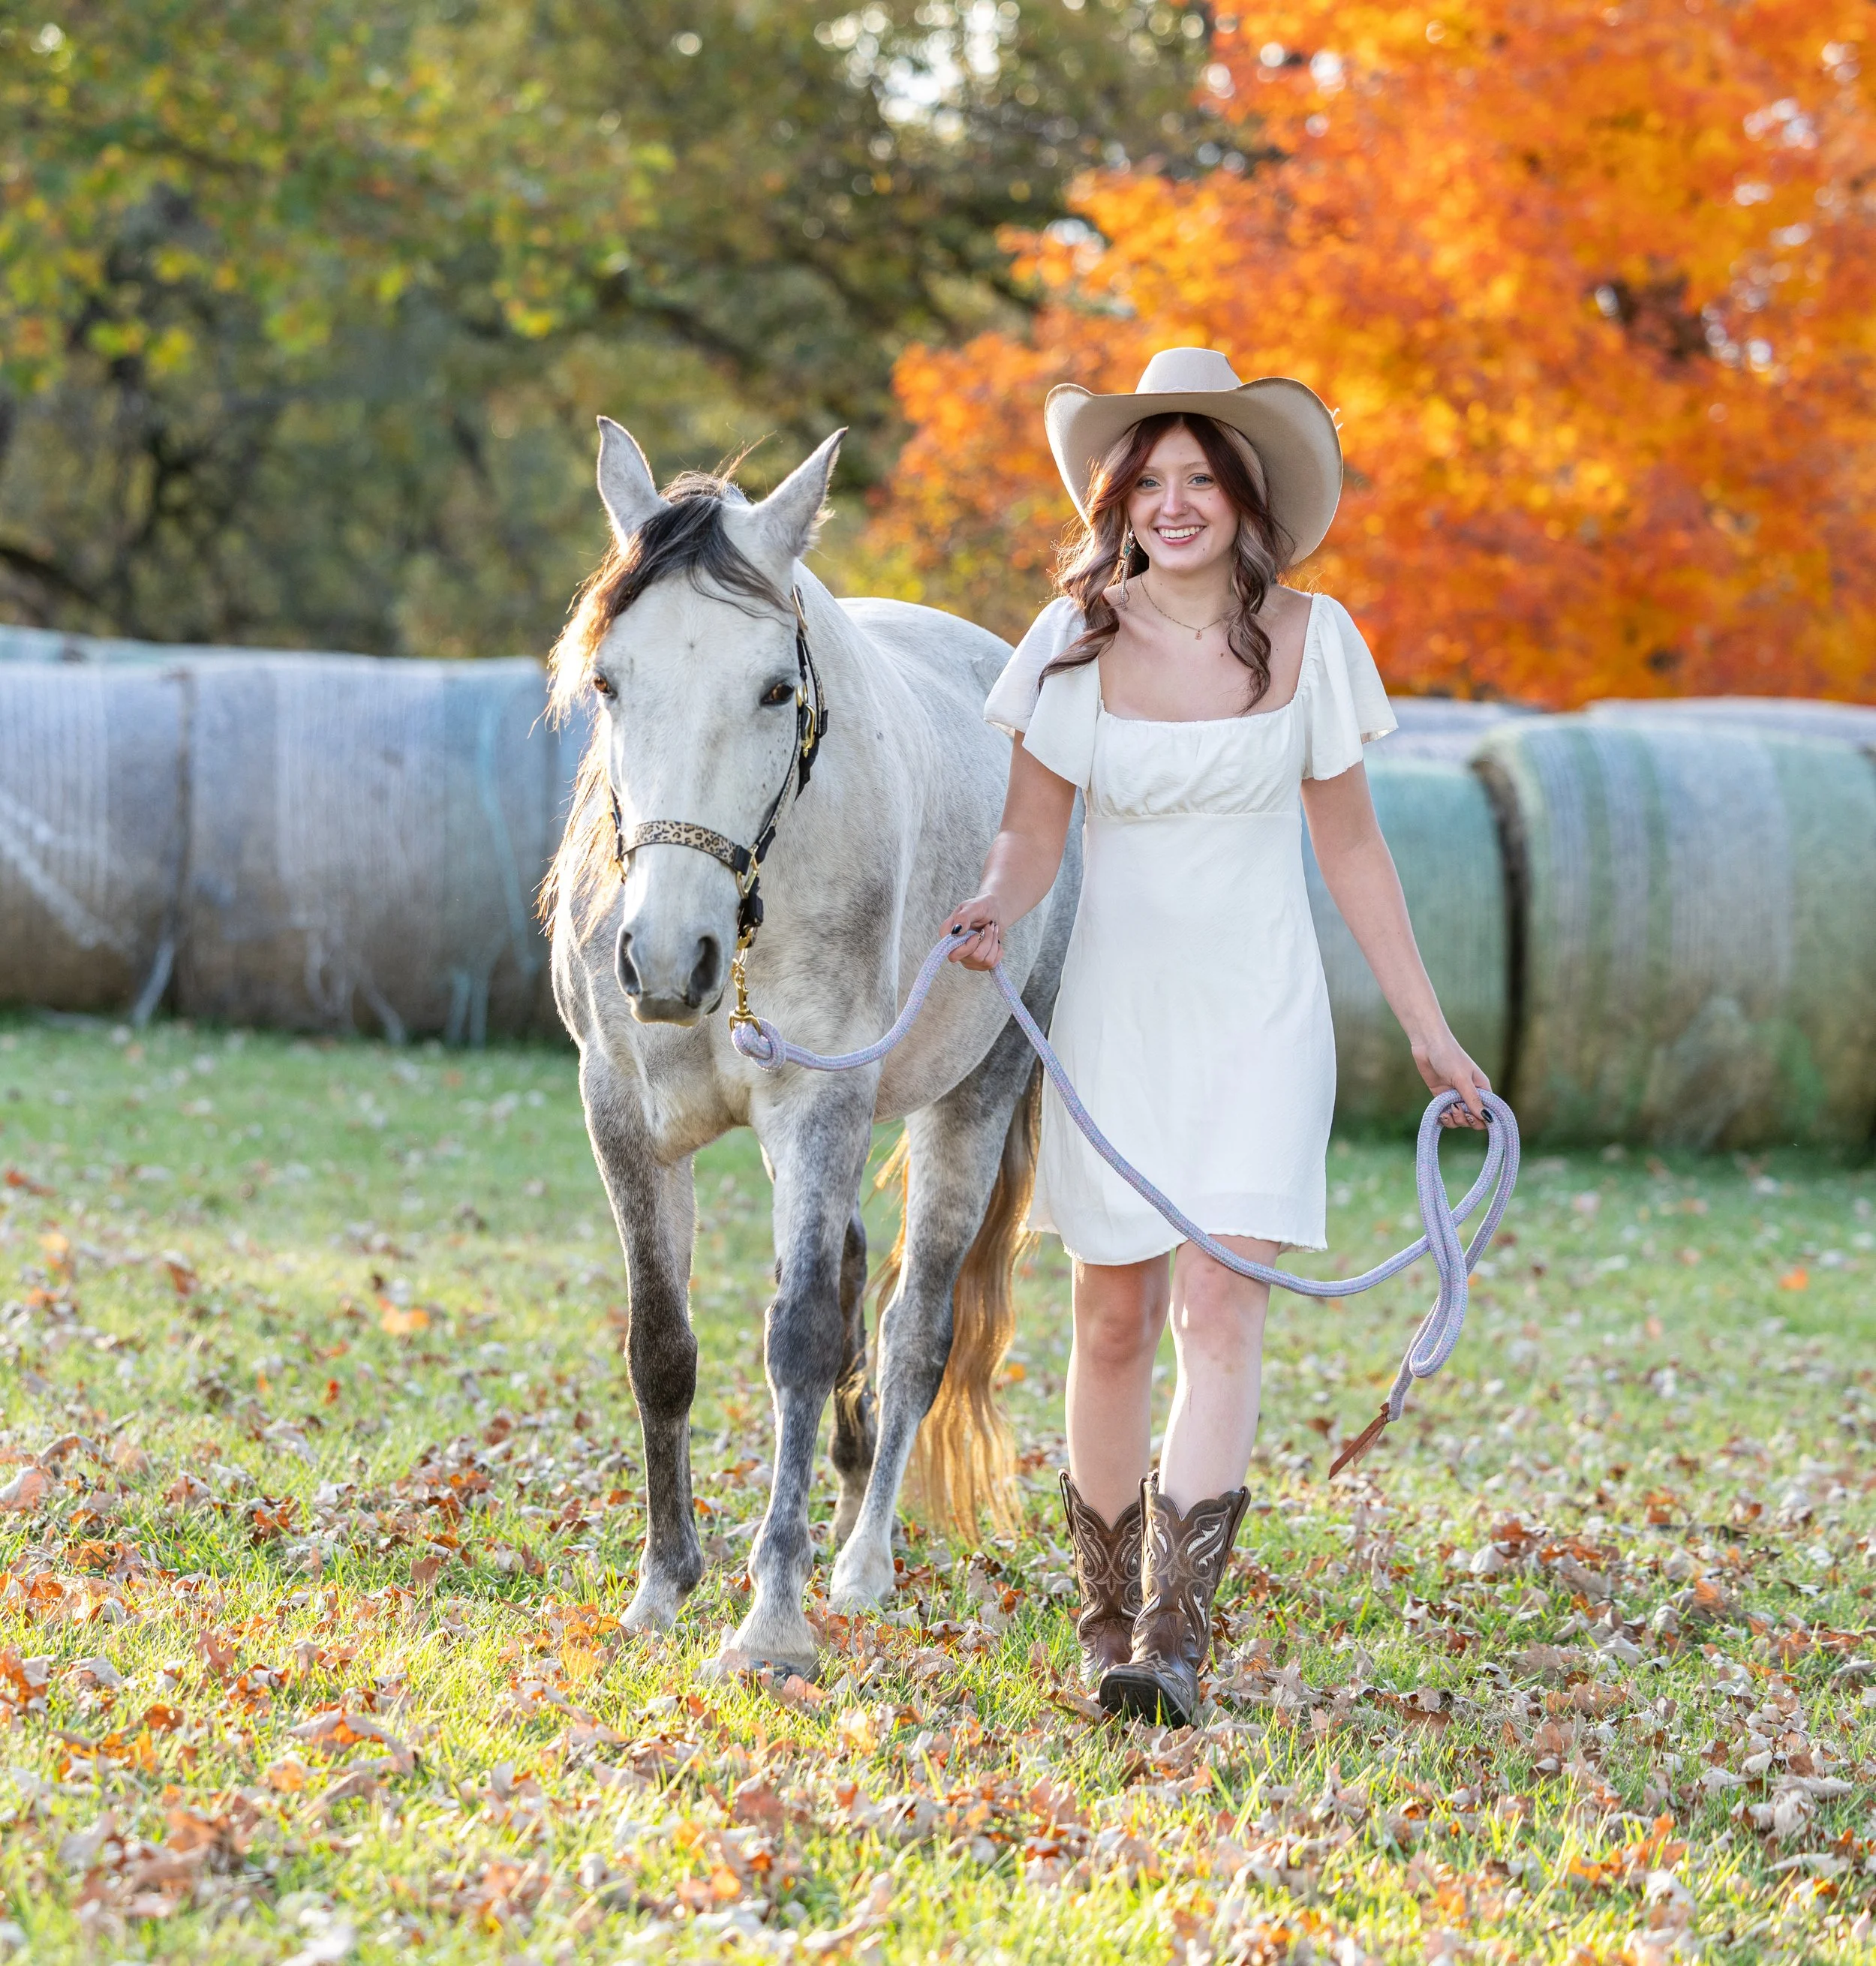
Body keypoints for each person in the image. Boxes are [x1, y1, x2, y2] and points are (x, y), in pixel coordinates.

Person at [944, 347, 1491, 1727]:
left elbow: (1355, 849)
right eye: (1152, 480)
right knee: (1114, 1315)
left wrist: (1431, 1031)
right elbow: (1028, 834)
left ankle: (1174, 1648)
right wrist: (994, 909)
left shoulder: (1318, 641)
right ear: (1119, 499)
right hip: (1119, 1012)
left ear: (1247, 499)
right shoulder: (1067, 638)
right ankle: (1107, 1613)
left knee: (1218, 1306)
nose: (1175, 503)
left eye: (1203, 479)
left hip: (1261, 1012)